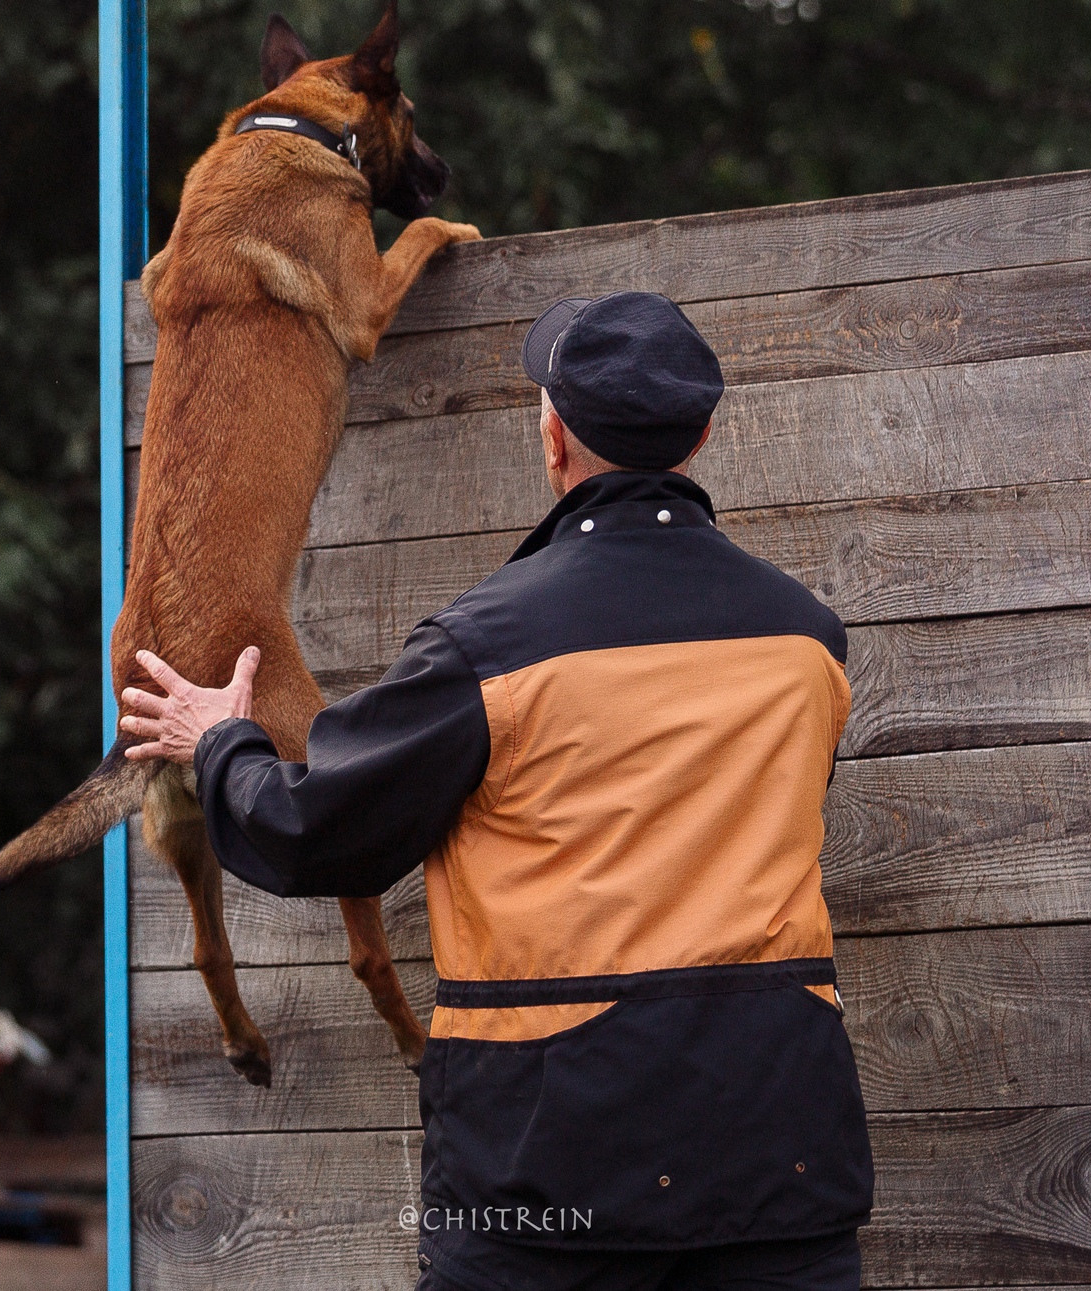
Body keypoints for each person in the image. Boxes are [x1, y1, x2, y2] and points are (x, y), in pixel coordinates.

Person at [118, 291, 873, 1291]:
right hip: (781, 1156)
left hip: (549, 1173)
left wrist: (219, 743)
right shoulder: (807, 639)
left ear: (553, 439)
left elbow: (314, 830)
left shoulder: (485, 648)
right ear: (697, 436)